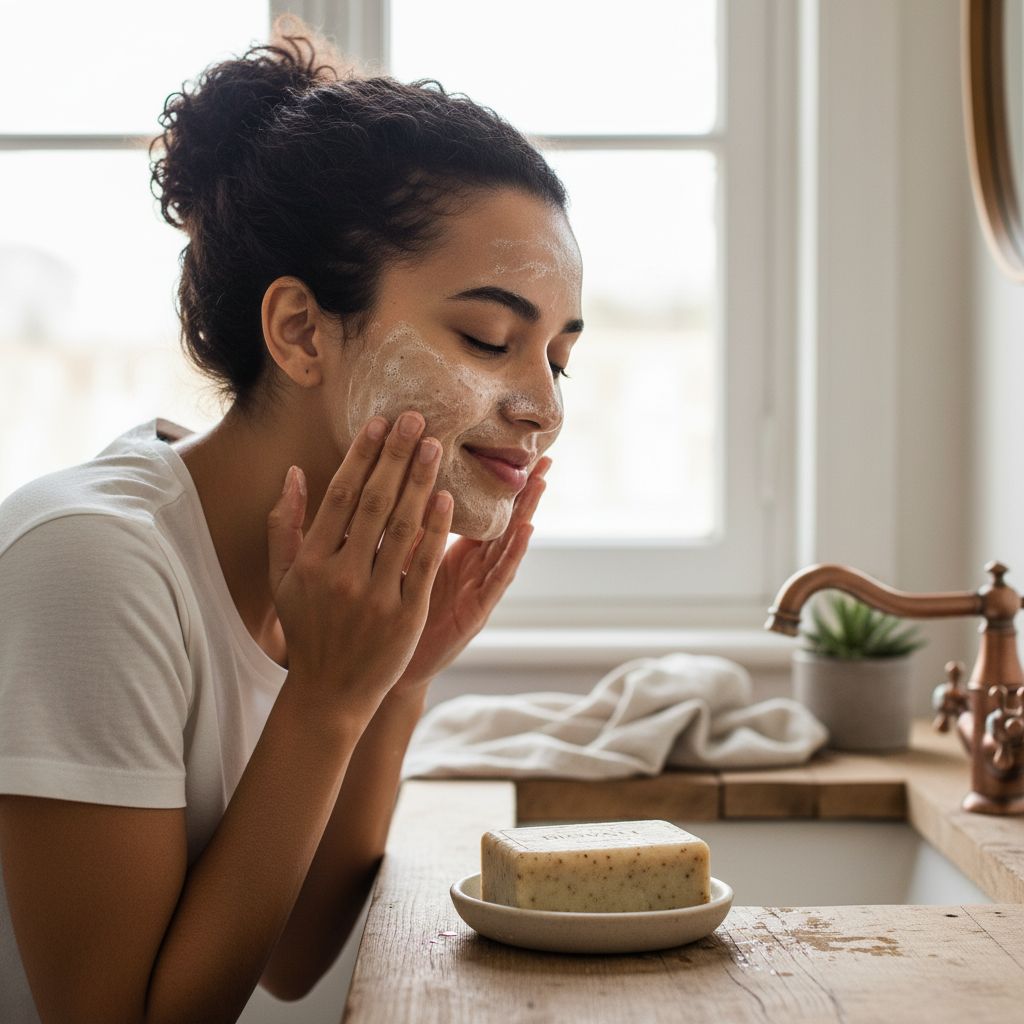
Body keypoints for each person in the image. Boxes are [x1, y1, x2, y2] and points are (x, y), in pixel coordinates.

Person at [0, 16, 583, 1023]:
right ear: (302, 331)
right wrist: (324, 699)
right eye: (489, 338)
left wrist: (395, 683)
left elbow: (295, 953)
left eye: (559, 356)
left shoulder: (318, 580)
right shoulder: (93, 566)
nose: (544, 406)